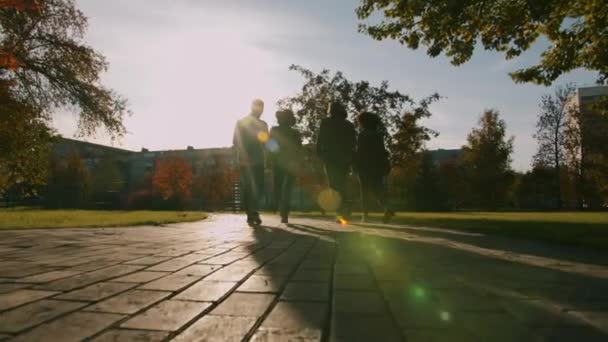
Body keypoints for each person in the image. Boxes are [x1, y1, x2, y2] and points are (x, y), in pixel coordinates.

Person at [316, 101, 356, 222]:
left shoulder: (326, 122)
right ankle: (344, 210)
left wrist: (320, 154)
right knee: (341, 184)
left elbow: (320, 139)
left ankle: (341, 212)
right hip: (344, 158)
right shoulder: (348, 124)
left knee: (334, 185)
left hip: (330, 158)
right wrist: (351, 159)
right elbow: (353, 143)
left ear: (331, 110)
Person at [354, 112, 394, 223]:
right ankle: (387, 207)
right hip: (377, 167)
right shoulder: (378, 135)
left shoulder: (362, 135)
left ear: (363, 122)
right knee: (377, 189)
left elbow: (359, 152)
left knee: (364, 191)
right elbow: (382, 151)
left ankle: (365, 216)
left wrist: (355, 165)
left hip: (364, 167)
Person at [233, 99, 268, 226]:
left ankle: (253, 211)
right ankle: (251, 213)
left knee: (258, 187)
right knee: (250, 187)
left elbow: (265, 142)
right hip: (246, 161)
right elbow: (236, 140)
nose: (260, 110)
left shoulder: (263, 124)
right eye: (258, 107)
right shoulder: (242, 122)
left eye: (262, 108)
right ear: (252, 108)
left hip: (258, 160)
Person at [269, 109, 302, 223]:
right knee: (287, 188)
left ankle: (278, 206)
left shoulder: (274, 130)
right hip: (290, 163)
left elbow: (270, 145)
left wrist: (270, 160)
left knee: (279, 186)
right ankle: (284, 212)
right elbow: (299, 149)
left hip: (279, 162)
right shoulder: (294, 133)